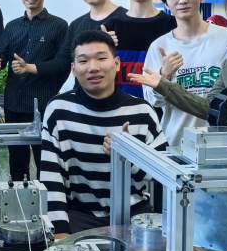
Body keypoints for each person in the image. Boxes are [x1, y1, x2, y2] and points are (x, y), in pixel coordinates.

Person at [39, 30, 167, 234]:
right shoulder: (59, 110)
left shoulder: (142, 111)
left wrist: (130, 155)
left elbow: (163, 174)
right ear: (73, 68)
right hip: (80, 217)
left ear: (116, 64)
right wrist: (60, 231)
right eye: (83, 61)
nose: (93, 67)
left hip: (135, 217)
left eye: (101, 58)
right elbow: (52, 176)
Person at [141, 0, 227, 150]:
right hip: (177, 143)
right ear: (166, 3)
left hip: (224, 142)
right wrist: (164, 75)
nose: (182, 0)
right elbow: (153, 101)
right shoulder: (159, 46)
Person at [0, 0, 67, 181]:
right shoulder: (12, 26)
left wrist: (31, 68)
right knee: (16, 162)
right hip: (14, 103)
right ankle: (18, 198)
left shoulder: (59, 26)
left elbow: (63, 64)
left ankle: (47, 200)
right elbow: (0, 59)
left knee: (46, 161)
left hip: (43, 104)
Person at [104, 0, 176, 97]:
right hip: (120, 104)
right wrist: (103, 45)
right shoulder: (110, 27)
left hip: (160, 103)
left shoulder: (172, 24)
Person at [48, 0, 127, 79]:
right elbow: (62, 62)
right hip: (81, 89)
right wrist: (29, 67)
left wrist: (112, 45)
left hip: (117, 88)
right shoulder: (76, 25)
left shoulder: (126, 18)